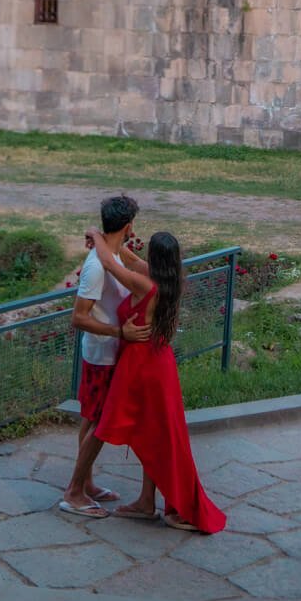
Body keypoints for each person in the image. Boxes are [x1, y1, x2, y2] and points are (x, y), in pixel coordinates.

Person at [84, 227, 226, 534]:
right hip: (161, 363)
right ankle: (147, 501)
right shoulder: (169, 281)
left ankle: (81, 486)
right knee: (157, 434)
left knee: (111, 422)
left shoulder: (143, 283)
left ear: (154, 257)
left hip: (140, 365)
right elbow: (126, 258)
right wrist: (115, 240)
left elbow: (109, 264)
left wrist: (96, 236)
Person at [58, 193, 148, 516]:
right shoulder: (98, 266)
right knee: (100, 423)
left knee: (91, 418)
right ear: (128, 226)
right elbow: (78, 317)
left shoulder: (111, 255)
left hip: (105, 353)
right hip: (103, 355)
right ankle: (74, 492)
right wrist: (118, 333)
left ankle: (87, 483)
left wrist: (98, 236)